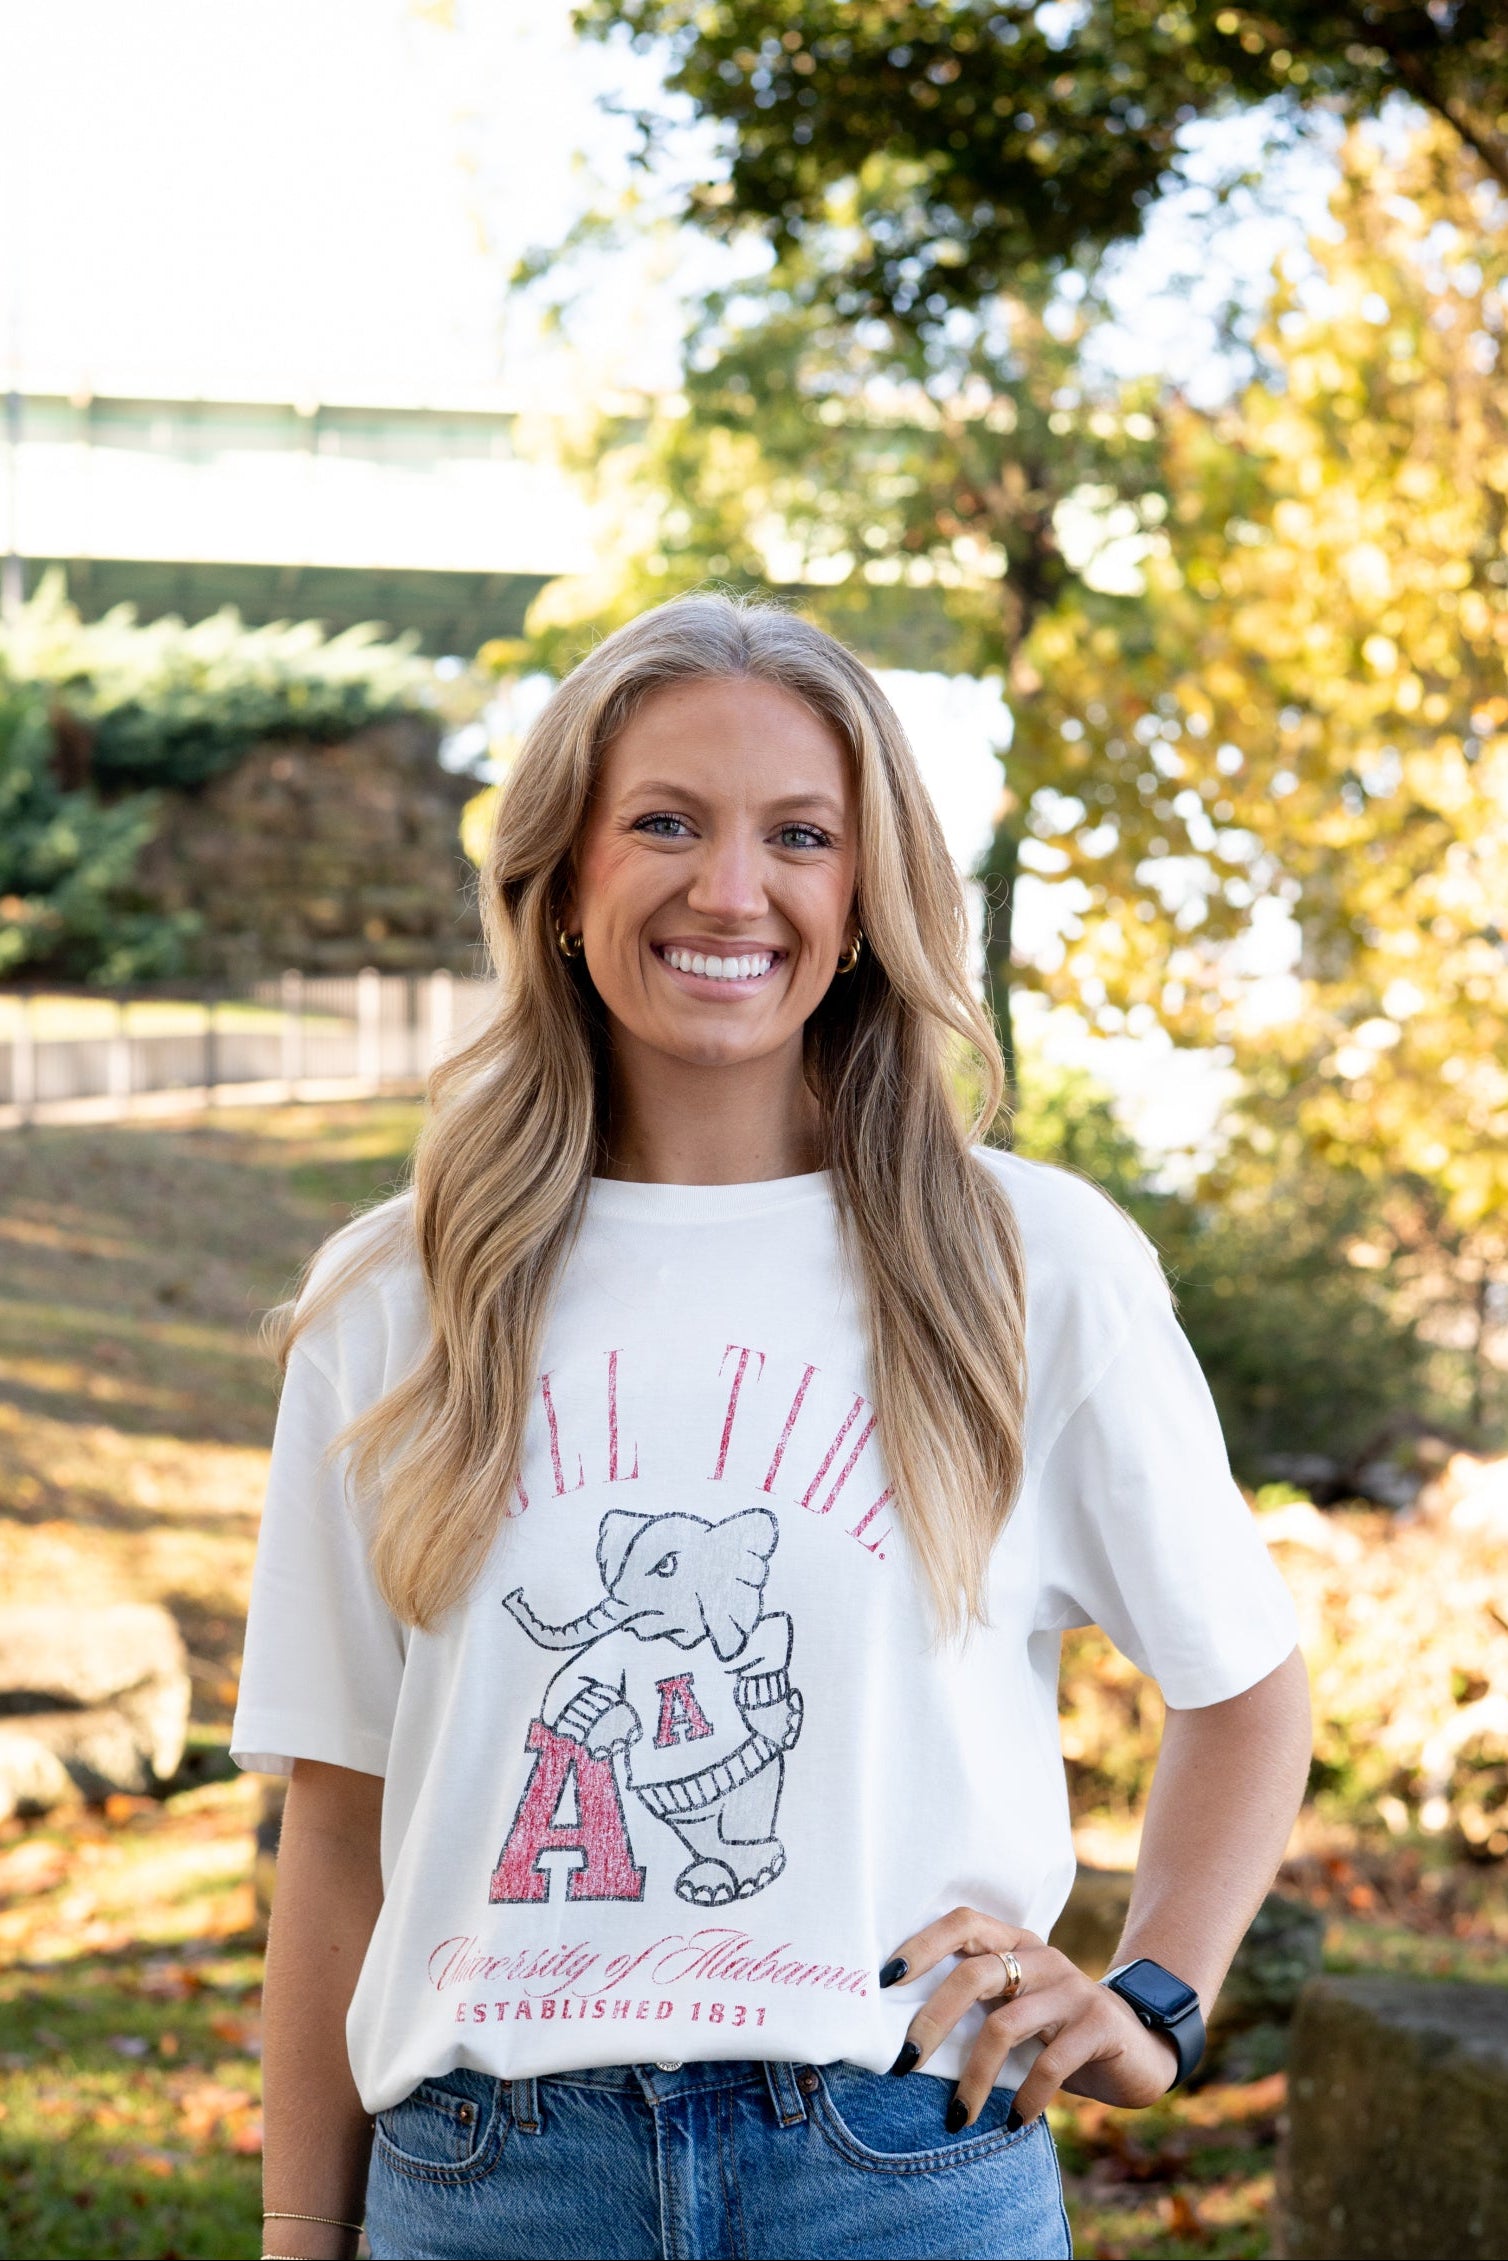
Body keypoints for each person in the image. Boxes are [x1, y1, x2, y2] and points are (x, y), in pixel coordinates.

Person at [234, 594, 1311, 2261]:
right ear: (563, 876)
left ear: (866, 895)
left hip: (900, 2169)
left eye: (800, 835)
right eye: (665, 822)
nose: (731, 890)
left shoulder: (1030, 1265)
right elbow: (339, 1824)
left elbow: (1244, 1689)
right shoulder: (400, 1291)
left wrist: (1154, 2000)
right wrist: (303, 2234)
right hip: (495, 2183)